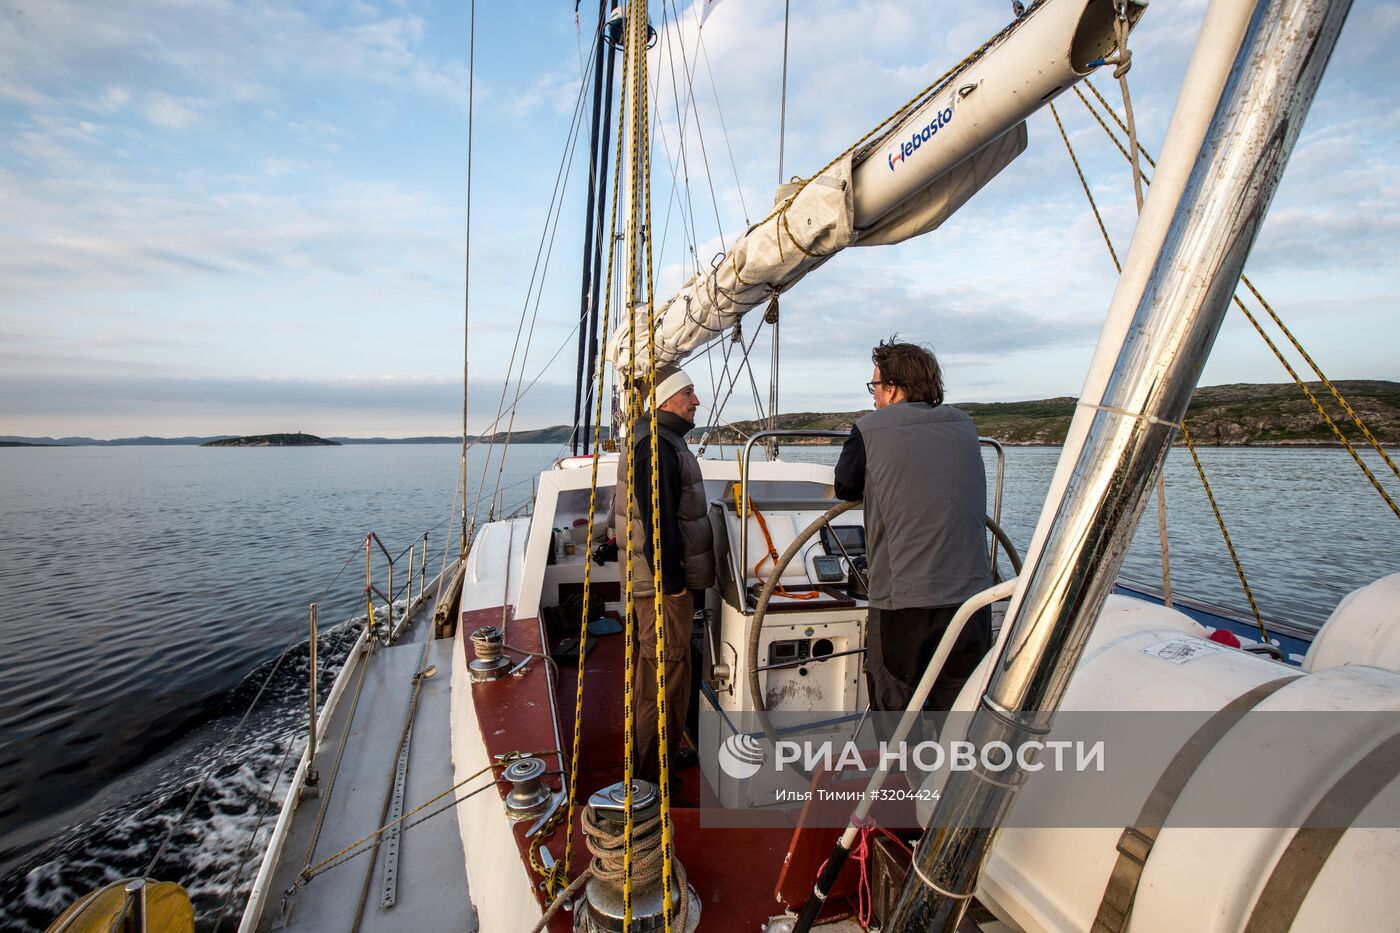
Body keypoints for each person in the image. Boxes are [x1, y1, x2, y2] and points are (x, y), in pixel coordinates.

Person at [834, 338, 993, 712]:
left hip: (904, 603)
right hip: (972, 600)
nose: (874, 396)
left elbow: (846, 487)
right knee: (957, 708)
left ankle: (902, 754)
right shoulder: (965, 425)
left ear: (891, 388)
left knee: (896, 708)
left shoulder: (868, 429)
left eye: (875, 386)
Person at [615, 365, 715, 782]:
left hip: (658, 584)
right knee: (666, 677)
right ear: (666, 399)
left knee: (659, 671)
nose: (696, 401)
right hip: (663, 589)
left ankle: (657, 757)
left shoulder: (656, 439)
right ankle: (653, 774)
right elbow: (659, 525)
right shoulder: (656, 445)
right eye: (689, 393)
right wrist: (672, 585)